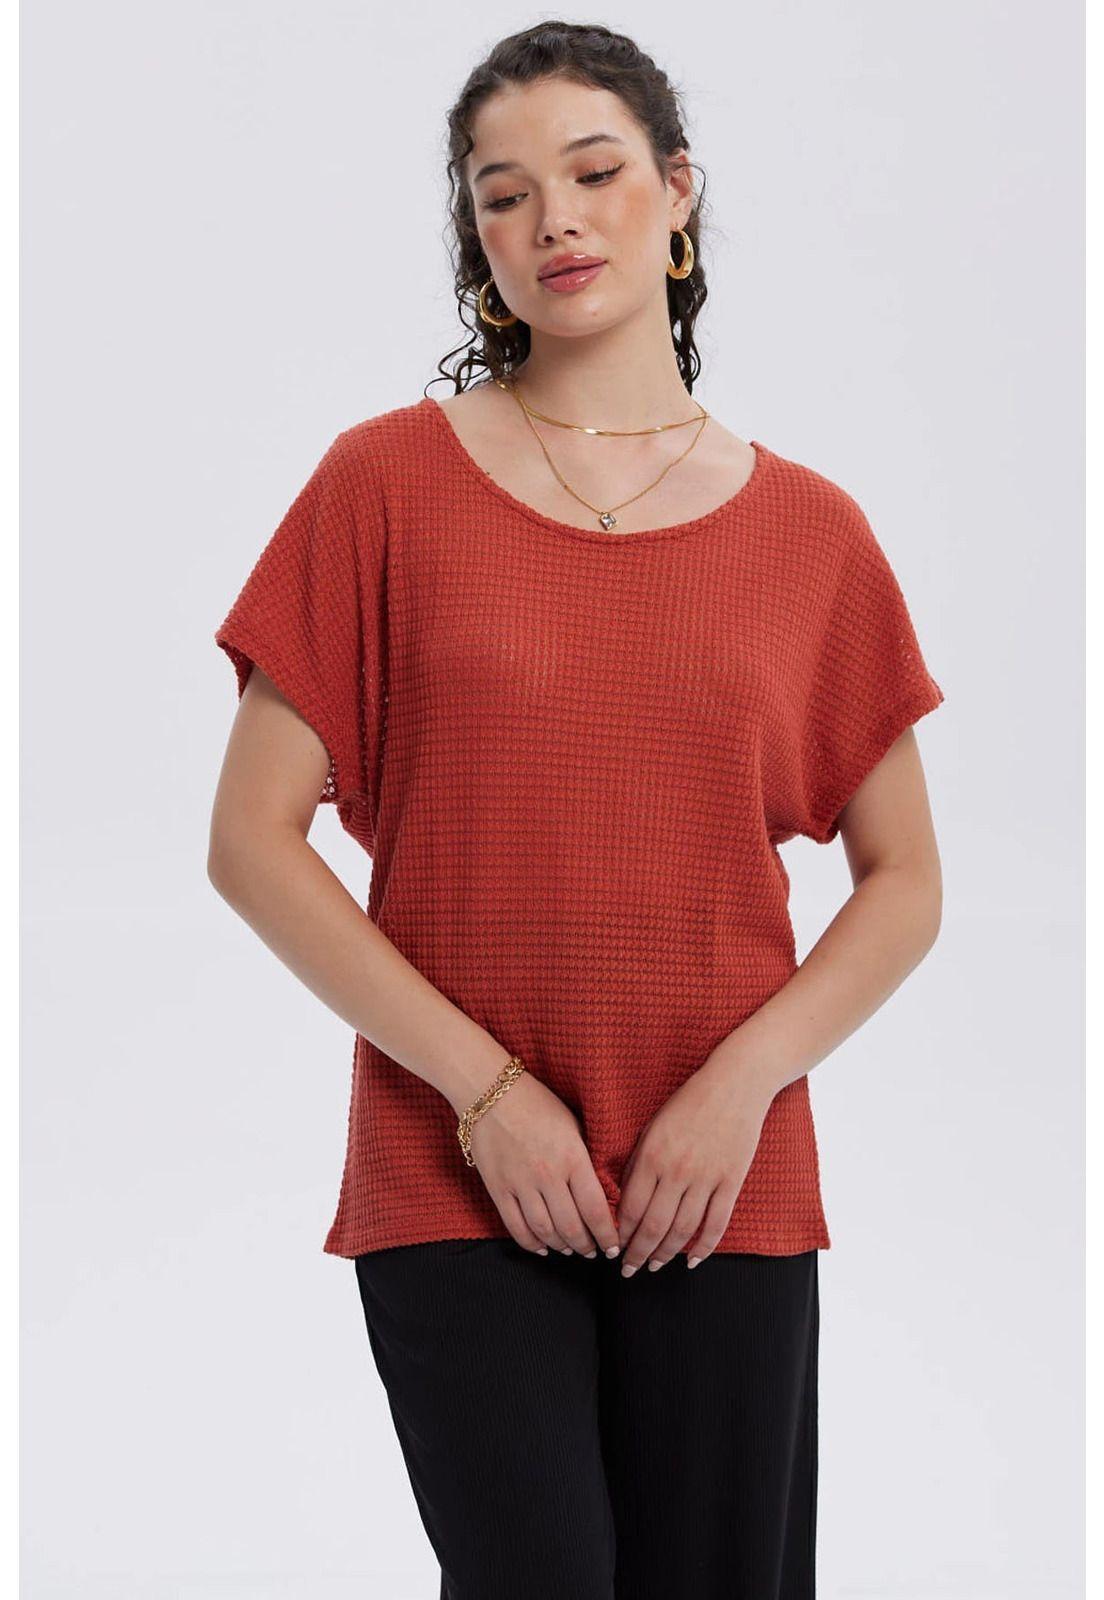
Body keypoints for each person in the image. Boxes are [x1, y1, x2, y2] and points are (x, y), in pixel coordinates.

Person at [208, 20, 945, 1600]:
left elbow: (905, 880)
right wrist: (486, 1093)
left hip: (721, 1181)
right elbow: (251, 841)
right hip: (455, 1165)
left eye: (595, 173)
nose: (552, 219)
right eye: (502, 195)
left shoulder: (811, 533)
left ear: (678, 195)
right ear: (476, 241)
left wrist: (744, 1085)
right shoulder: (382, 488)